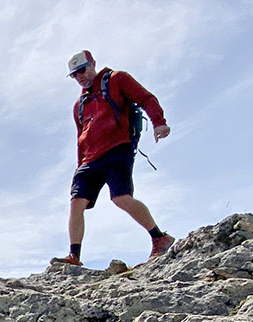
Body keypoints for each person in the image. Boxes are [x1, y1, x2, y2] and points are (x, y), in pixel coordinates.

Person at [52, 50, 173, 267]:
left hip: (118, 148)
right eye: (74, 75)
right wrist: (80, 164)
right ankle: (74, 256)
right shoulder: (79, 105)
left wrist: (159, 122)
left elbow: (146, 98)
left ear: (92, 64)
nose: (80, 77)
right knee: (76, 202)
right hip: (90, 160)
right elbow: (81, 138)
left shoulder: (117, 79)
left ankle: (159, 237)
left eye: (82, 70)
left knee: (121, 198)